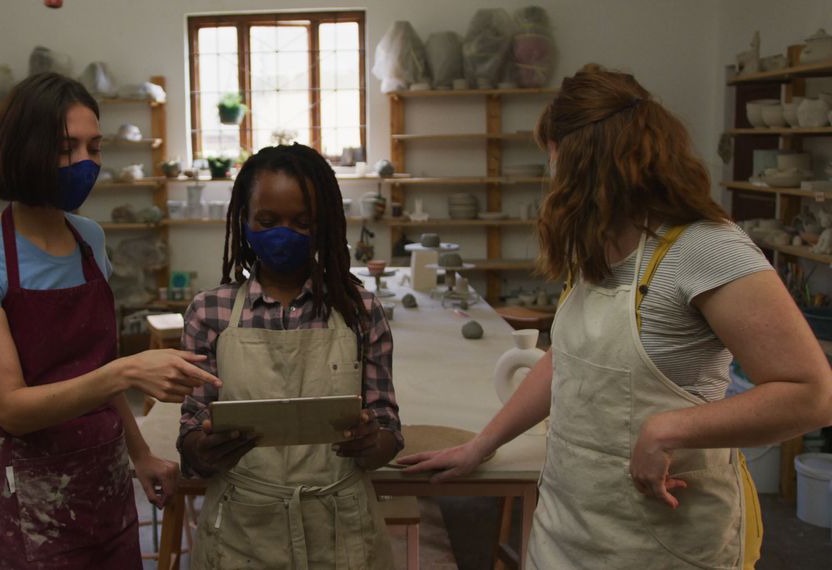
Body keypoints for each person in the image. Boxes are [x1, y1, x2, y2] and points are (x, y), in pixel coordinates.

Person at [400, 64, 832, 570]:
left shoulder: (707, 249)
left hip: (663, 542)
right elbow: (566, 361)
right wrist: (483, 444)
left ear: (581, 161)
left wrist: (669, 429)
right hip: (567, 528)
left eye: (553, 157)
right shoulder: (600, 247)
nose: (551, 175)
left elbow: (812, 395)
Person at [0, 72, 220, 569]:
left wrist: (139, 453)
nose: (85, 163)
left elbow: (96, 363)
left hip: (103, 486)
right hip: (21, 500)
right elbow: (13, 409)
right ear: (23, 149)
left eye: (94, 147)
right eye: (67, 147)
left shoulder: (89, 238)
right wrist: (128, 371)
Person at [177, 144, 402, 569]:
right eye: (267, 221)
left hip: (341, 532)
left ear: (326, 226)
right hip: (242, 533)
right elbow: (191, 437)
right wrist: (205, 448)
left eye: (302, 223)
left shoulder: (359, 311)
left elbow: (388, 429)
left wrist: (372, 442)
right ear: (244, 220)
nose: (283, 233)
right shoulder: (211, 313)